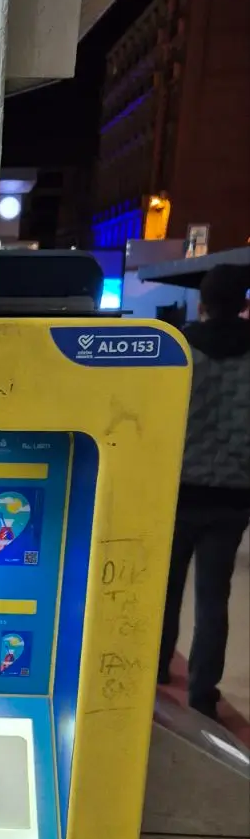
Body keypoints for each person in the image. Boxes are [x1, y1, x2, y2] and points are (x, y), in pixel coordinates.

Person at [158, 264, 250, 719]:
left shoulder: (180, 351)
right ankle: (202, 691)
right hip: (233, 497)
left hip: (178, 491)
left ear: (203, 302)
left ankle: (156, 666)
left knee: (167, 585)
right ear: (244, 303)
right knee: (214, 597)